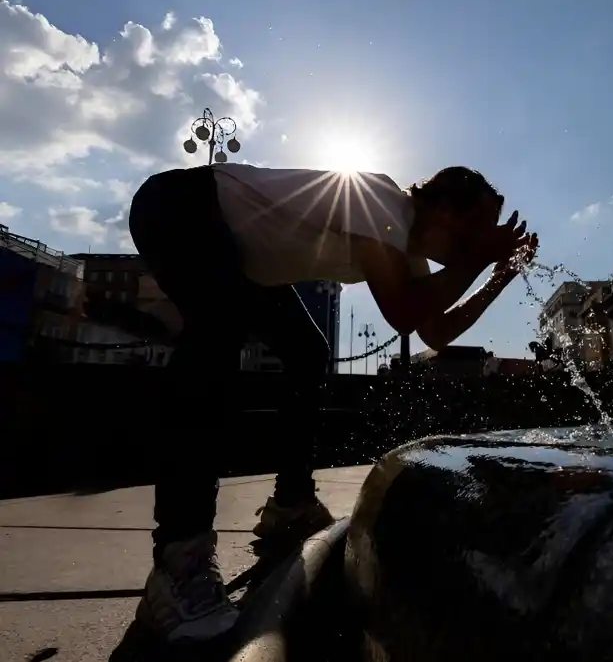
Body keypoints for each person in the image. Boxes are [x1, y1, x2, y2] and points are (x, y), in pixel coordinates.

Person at [127, 163, 538, 642]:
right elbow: (405, 312)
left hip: (243, 258)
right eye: (478, 228)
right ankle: (179, 560)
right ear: (444, 209)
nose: (481, 240)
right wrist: (480, 260)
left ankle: (291, 501)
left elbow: (435, 330)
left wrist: (501, 274)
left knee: (306, 351)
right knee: (217, 329)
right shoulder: (381, 198)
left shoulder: (403, 247)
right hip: (181, 205)